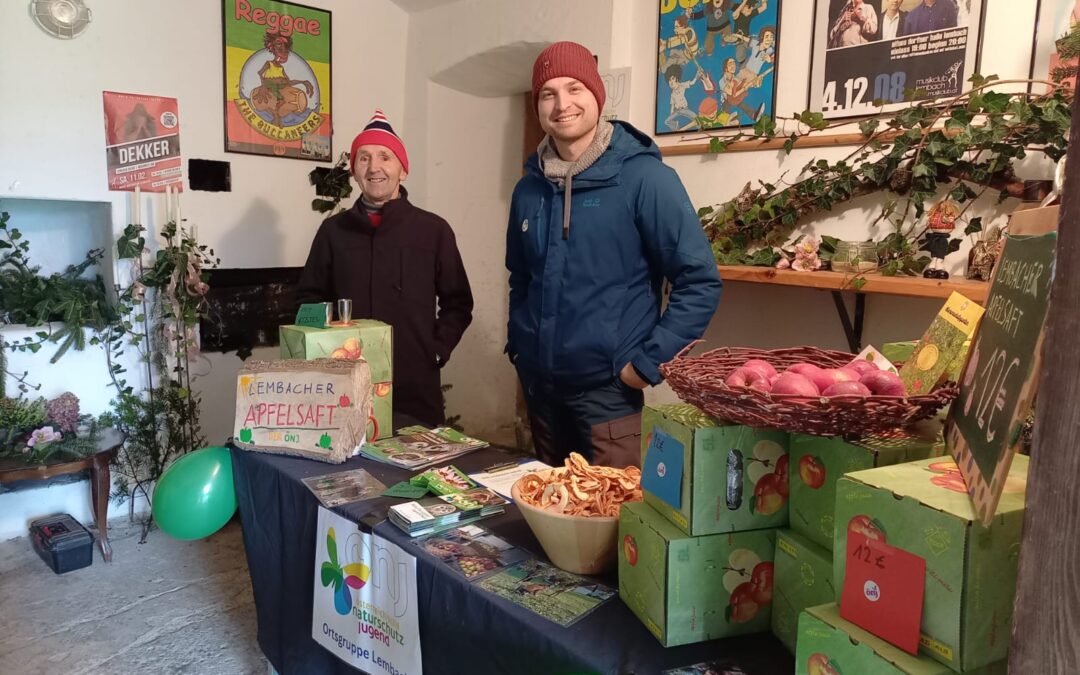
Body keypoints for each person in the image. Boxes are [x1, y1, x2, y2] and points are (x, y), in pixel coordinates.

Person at [505, 42, 722, 468]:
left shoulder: (644, 179)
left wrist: (645, 365)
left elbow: (699, 281)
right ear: (538, 107)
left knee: (613, 519)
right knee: (551, 514)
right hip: (541, 394)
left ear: (597, 95)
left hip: (609, 398)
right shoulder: (528, 189)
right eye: (548, 94)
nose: (562, 104)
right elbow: (521, 279)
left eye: (574, 88)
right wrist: (520, 348)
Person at [296, 110, 474, 426]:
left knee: (417, 472)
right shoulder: (333, 232)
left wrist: (435, 350)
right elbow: (308, 298)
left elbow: (458, 303)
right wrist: (324, 351)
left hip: (416, 388)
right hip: (346, 386)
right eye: (363, 158)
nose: (374, 167)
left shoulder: (434, 231)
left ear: (403, 170)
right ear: (354, 171)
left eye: (385, 157)